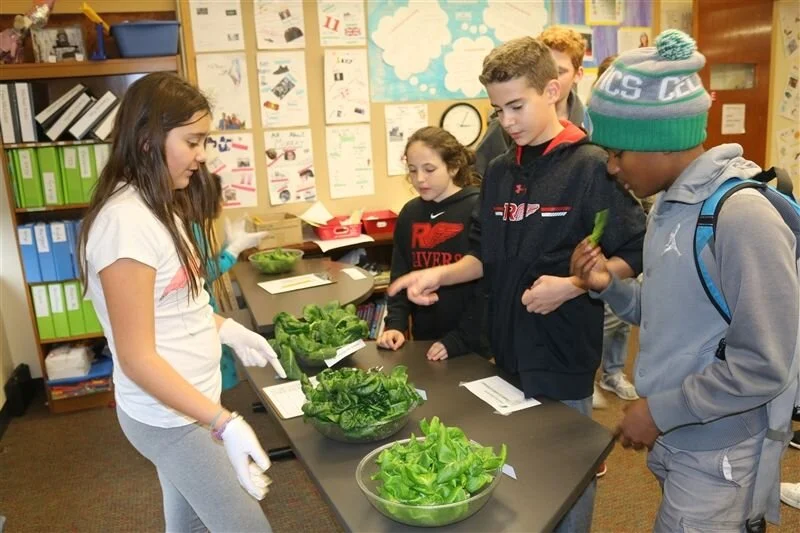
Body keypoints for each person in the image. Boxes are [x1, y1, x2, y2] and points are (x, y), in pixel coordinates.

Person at [389, 37, 645, 532]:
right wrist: (437, 273)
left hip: (562, 353)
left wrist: (574, 284)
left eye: (515, 106)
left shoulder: (591, 165)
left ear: (552, 90)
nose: (506, 122)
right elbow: (483, 255)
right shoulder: (502, 171)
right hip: (504, 350)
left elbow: (634, 249)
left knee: (567, 475)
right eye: (497, 110)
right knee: (517, 468)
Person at [571, 30, 799, 530]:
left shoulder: (740, 217)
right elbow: (663, 311)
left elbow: (765, 364)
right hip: (677, 433)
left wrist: (661, 411)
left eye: (616, 153)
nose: (610, 168)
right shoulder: (669, 206)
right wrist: (609, 285)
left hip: (717, 448)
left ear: (659, 143)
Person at [78, 72, 285, 532]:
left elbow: (177, 308)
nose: (201, 155)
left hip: (190, 405)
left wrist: (227, 328)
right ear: (149, 139)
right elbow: (136, 356)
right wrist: (223, 422)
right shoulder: (124, 225)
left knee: (188, 526)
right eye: (192, 141)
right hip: (170, 420)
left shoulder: (159, 206)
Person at [377, 126, 486, 361]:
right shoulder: (410, 213)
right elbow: (400, 274)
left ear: (453, 167)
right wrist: (395, 325)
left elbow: (488, 289)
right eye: (413, 170)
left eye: (429, 169)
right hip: (425, 341)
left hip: (471, 343)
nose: (420, 179)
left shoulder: (477, 208)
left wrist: (460, 339)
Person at [474, 25, 591, 176]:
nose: (507, 121)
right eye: (499, 110)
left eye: (559, 72)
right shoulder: (501, 135)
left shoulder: (591, 129)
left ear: (578, 74)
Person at [194, 172, 266, 390]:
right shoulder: (191, 227)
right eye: (219, 197)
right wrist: (233, 251)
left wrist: (227, 245)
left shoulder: (196, 224)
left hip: (207, 308)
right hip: (200, 312)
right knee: (211, 374)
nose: (222, 203)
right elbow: (202, 273)